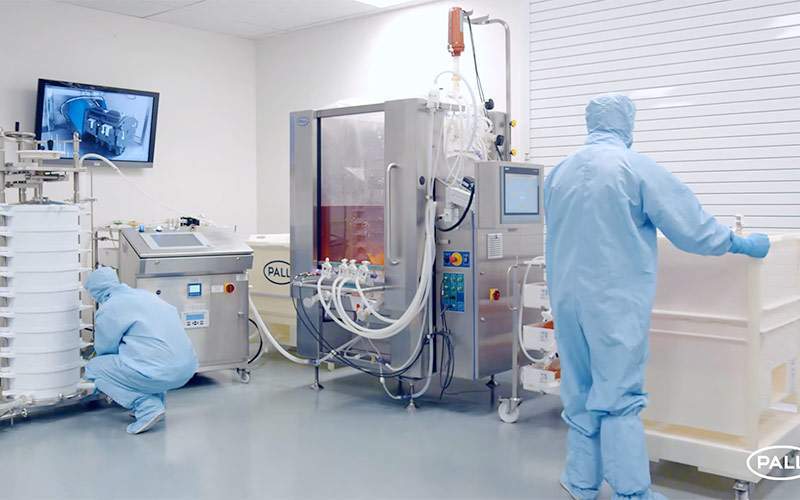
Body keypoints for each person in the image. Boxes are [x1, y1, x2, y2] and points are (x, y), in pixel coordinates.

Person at [544, 94, 770, 500]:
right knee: (618, 394)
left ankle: (581, 481)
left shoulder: (559, 172)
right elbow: (691, 228)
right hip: (612, 303)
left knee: (578, 387)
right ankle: (631, 491)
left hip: (566, 298)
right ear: (626, 123)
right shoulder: (633, 168)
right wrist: (739, 243)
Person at [83, 267, 198, 434]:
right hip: (187, 369)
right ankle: (159, 402)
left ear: (96, 291)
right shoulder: (146, 295)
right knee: (145, 357)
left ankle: (147, 407)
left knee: (95, 369)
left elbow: (105, 349)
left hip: (160, 372)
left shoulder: (110, 308)